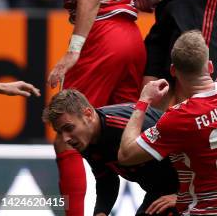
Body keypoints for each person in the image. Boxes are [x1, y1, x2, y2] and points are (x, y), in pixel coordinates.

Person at [34, 0, 146, 216]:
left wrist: (73, 51)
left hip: (103, 36)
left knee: (66, 134)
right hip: (131, 35)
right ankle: (172, 195)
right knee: (117, 138)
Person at [118, 30, 217, 215]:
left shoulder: (179, 119)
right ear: (210, 66)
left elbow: (125, 154)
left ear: (173, 71)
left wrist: (143, 101)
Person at [43, 89, 179, 216]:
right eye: (60, 132)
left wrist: (182, 197)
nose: (65, 138)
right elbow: (106, 180)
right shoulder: (86, 139)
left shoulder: (127, 126)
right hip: (161, 192)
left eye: (69, 128)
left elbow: (192, 148)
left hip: (191, 190)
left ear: (88, 114)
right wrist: (101, 212)